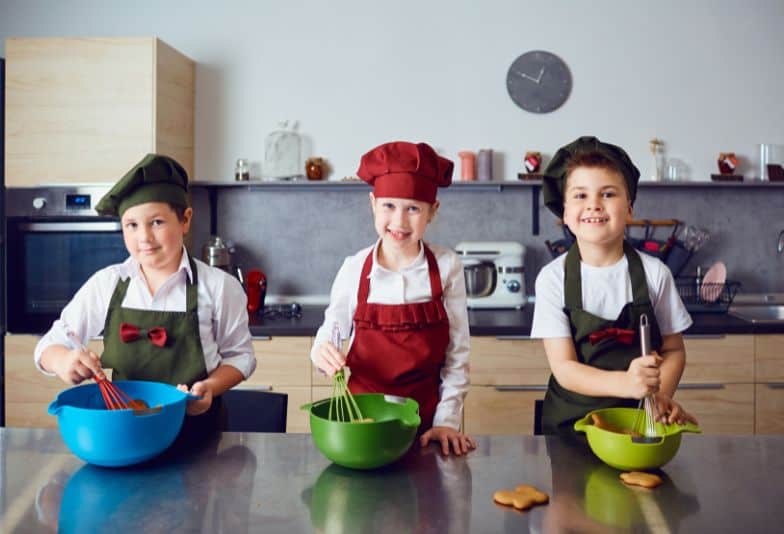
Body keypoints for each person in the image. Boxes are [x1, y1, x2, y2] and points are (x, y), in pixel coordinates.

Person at [35, 153, 256, 437]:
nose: (145, 238)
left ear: (185, 220)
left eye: (157, 223)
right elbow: (47, 348)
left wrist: (210, 388)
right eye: (132, 225)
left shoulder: (220, 287)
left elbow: (240, 357)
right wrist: (63, 361)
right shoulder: (107, 284)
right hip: (125, 434)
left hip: (196, 435)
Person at [311, 141, 475, 456]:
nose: (399, 222)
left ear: (432, 212)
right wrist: (321, 352)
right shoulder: (354, 267)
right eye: (389, 206)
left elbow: (457, 357)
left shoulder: (447, 267)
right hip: (360, 425)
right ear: (373, 204)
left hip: (427, 426)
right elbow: (330, 330)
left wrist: (447, 422)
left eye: (413, 208)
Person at [531, 136, 698, 437]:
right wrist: (625, 383)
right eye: (580, 196)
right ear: (565, 214)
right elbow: (564, 368)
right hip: (569, 431)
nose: (594, 204)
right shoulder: (552, 279)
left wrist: (661, 395)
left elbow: (674, 350)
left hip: (636, 426)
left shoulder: (655, 274)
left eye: (608, 194)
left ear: (630, 209)